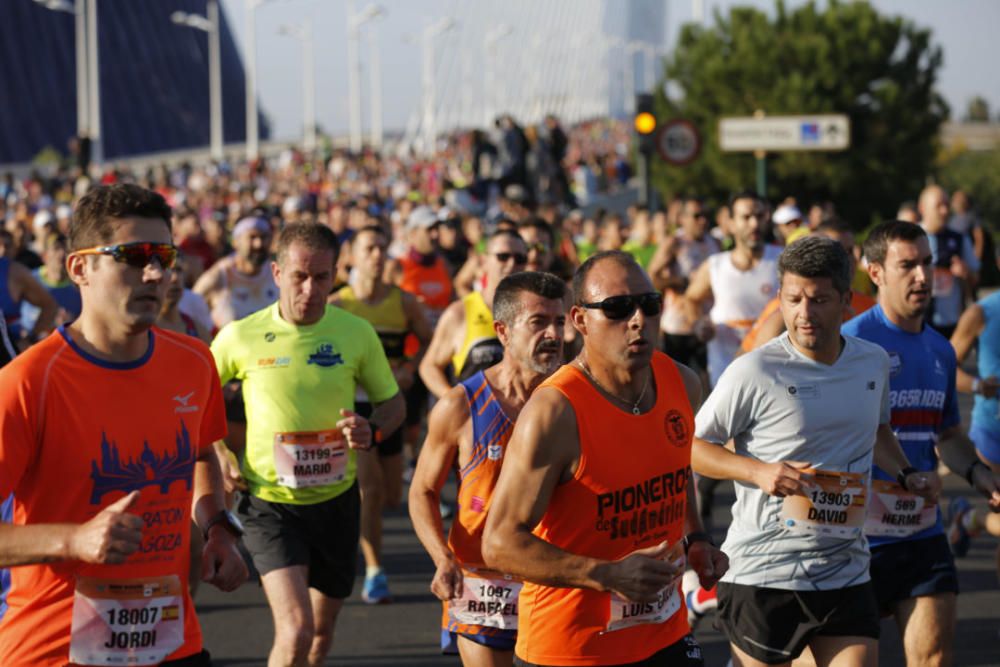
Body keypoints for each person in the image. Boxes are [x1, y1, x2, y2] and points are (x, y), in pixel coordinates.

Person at [0, 183, 246, 666]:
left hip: (171, 642)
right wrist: (74, 540)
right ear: (80, 268)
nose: (155, 273)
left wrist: (217, 526)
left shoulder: (195, 362)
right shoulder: (27, 382)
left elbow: (198, 455)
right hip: (55, 652)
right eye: (132, 256)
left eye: (164, 256)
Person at [692, 236, 938, 667]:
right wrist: (758, 472)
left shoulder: (872, 361)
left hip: (844, 566)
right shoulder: (755, 370)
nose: (804, 314)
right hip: (765, 571)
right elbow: (690, 447)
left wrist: (904, 474)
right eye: (793, 299)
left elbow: (878, 431)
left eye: (819, 300)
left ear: (846, 300)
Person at [482, 251, 728, 667]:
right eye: (616, 308)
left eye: (649, 305)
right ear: (580, 320)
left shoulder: (682, 382)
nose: (637, 320)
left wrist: (697, 539)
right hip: (572, 648)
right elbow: (500, 544)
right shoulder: (554, 413)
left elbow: (674, 468)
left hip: (663, 631)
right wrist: (609, 575)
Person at [210, 222, 406, 667]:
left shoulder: (355, 332)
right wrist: (220, 451)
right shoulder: (240, 335)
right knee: (296, 629)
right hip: (269, 504)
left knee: (319, 635)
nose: (310, 289)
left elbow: (393, 405)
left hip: (337, 502)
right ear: (277, 274)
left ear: (336, 274)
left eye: (322, 277)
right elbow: (194, 400)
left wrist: (371, 431)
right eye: (299, 276)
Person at [842, 220, 1000, 666]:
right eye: (907, 265)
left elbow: (946, 434)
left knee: (932, 658)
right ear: (875, 273)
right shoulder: (850, 343)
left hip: (921, 532)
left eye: (928, 264)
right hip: (855, 541)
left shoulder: (940, 351)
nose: (923, 277)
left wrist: (981, 475)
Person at [410, 271, 567, 667]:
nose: (553, 334)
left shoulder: (576, 400)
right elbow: (423, 491)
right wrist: (441, 558)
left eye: (559, 321)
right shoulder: (461, 405)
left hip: (555, 574)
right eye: (538, 322)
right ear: (503, 331)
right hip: (482, 578)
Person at [330, 224, 433, 604]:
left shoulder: (404, 303)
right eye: (369, 248)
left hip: (389, 405)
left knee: (391, 496)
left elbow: (427, 339)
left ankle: (359, 534)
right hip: (353, 408)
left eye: (382, 248)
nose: (377, 255)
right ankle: (375, 571)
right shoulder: (337, 305)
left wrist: (409, 366)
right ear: (352, 257)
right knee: (369, 492)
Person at [684, 190, 781, 387]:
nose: (754, 224)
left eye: (760, 216)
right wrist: (698, 324)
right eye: (746, 217)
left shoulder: (783, 260)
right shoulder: (715, 266)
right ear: (731, 223)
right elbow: (691, 299)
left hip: (774, 373)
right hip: (725, 374)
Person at [419, 230, 528, 398]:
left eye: (520, 259)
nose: (512, 263)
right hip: (475, 420)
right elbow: (429, 366)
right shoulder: (460, 312)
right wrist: (455, 400)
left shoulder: (534, 312)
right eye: (503, 256)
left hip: (521, 419)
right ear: (484, 261)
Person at [947, 290, 1000, 570]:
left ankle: (970, 519)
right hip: (993, 434)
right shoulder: (982, 312)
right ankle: (971, 519)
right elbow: (945, 367)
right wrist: (979, 386)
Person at [193, 215, 278, 331]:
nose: (259, 244)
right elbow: (188, 308)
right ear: (235, 242)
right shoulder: (219, 275)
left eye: (264, 237)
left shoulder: (277, 272)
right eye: (252, 237)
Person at [916, 185, 979, 339]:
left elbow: (976, 278)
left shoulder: (959, 239)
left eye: (947, 205)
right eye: (939, 206)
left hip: (950, 323)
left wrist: (965, 272)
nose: (944, 211)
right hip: (916, 322)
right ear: (923, 208)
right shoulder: (908, 238)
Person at [20, 232, 81, 333]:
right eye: (56, 248)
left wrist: (71, 325)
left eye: (66, 249)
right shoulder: (29, 279)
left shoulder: (80, 285)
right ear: (44, 255)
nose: (62, 253)